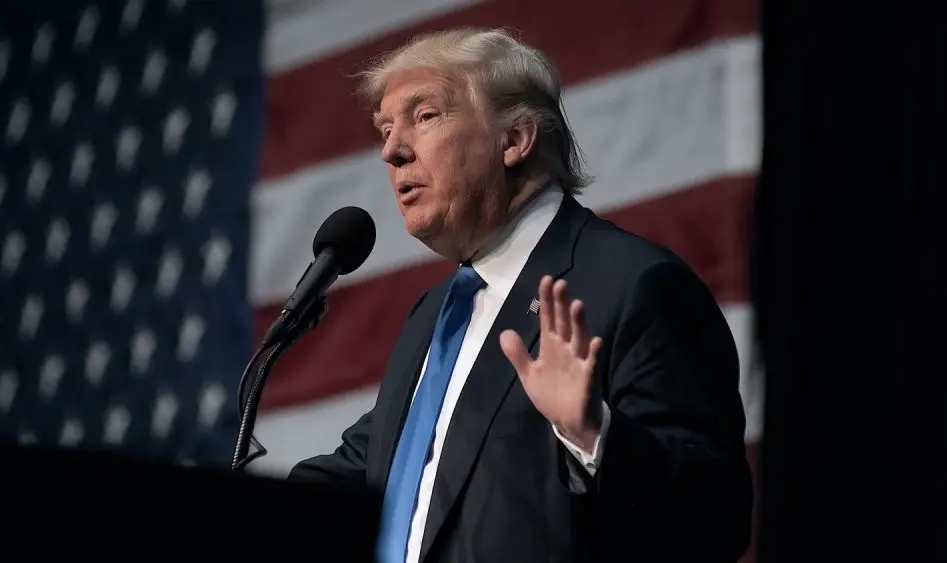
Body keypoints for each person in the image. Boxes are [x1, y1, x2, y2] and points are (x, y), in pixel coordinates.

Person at [288, 27, 753, 563]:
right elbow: (367, 471)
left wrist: (594, 435)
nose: (392, 151)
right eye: (386, 129)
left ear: (514, 139)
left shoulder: (634, 285)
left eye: (425, 116)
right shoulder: (436, 316)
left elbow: (715, 520)